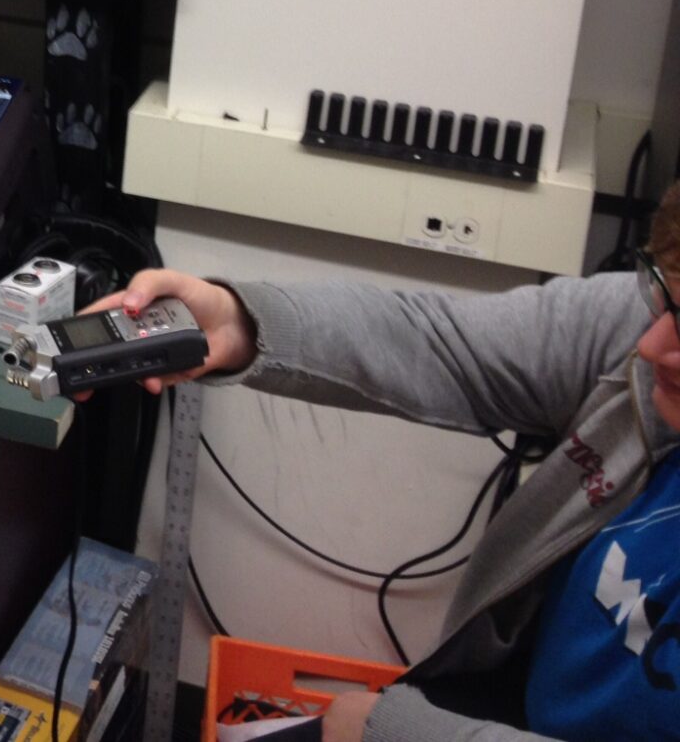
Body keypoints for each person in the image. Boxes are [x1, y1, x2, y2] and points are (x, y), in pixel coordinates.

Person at [88, 178, 680, 742]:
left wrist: (385, 730)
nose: (651, 347)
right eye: (665, 299)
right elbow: (440, 342)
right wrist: (242, 321)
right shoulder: (638, 329)